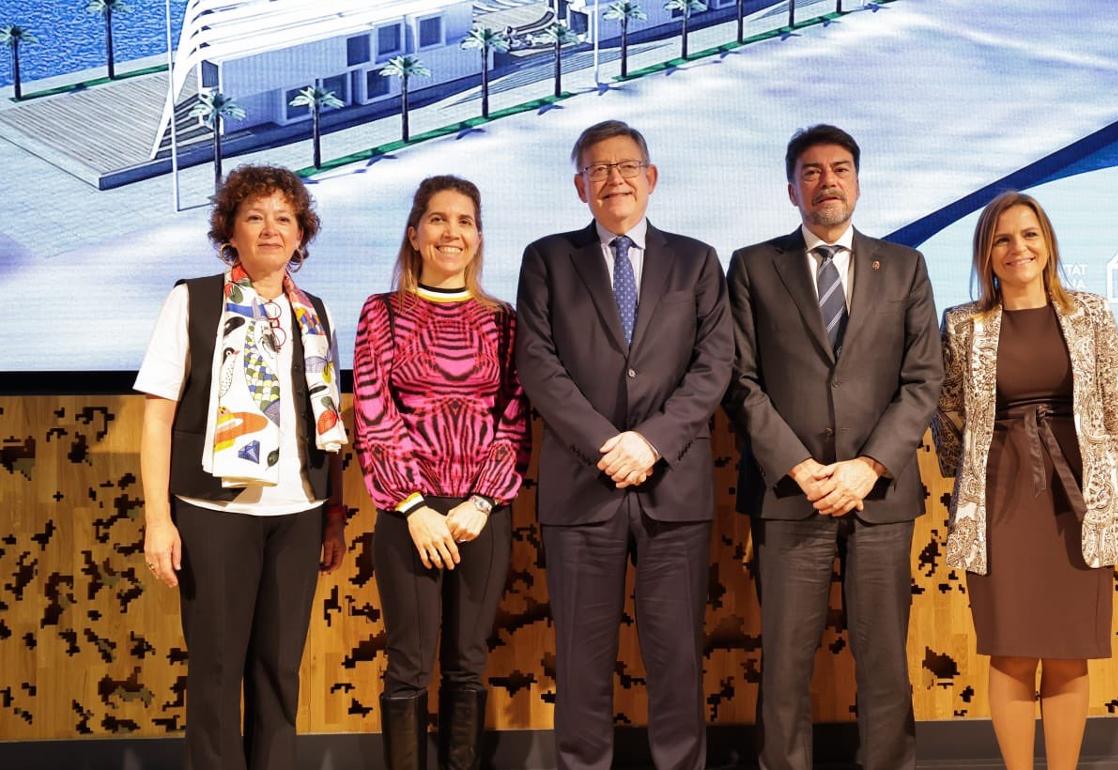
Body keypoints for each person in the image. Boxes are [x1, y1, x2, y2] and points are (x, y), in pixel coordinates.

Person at [515, 120, 733, 770]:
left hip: (674, 487)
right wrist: (609, 445)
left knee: (676, 655)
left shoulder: (696, 260)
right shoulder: (547, 258)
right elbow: (537, 363)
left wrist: (653, 443)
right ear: (579, 186)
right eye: (599, 169)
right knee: (581, 660)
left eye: (627, 166)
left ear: (651, 178)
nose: (615, 179)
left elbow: (714, 364)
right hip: (584, 486)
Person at [722, 124, 942, 770]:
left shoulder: (905, 267)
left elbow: (923, 380)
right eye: (812, 171)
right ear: (791, 188)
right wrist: (799, 466)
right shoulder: (753, 267)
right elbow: (741, 380)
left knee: (884, 662)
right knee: (785, 665)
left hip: (881, 495)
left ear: (858, 181)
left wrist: (869, 467)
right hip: (791, 493)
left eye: (840, 168)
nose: (827, 182)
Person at [137, 164, 349, 770]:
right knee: (216, 670)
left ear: (301, 235)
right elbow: (155, 418)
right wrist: (159, 520)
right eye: (254, 216)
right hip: (213, 513)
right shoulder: (192, 300)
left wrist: (333, 516)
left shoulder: (317, 313)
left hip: (299, 512)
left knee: (279, 671)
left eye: (285, 218)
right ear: (229, 230)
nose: (271, 229)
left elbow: (325, 425)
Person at [932, 191, 1118, 770]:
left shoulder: (1091, 313)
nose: (1017, 248)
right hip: (999, 499)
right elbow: (948, 412)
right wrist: (965, 483)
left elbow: (1117, 405)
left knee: (1071, 653)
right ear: (986, 253)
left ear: (1047, 244)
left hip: (1079, 501)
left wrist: (1104, 478)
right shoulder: (963, 323)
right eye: (1002, 239)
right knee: (1012, 651)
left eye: (1028, 235)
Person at [353, 175, 530, 770]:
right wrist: (413, 508)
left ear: (478, 238)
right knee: (407, 663)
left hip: (481, 515)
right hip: (409, 516)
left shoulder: (503, 320)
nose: (451, 232)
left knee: (468, 661)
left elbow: (514, 416)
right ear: (414, 233)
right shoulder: (382, 313)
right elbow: (374, 415)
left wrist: (483, 502)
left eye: (464, 221)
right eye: (438, 219)